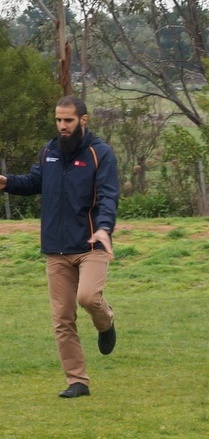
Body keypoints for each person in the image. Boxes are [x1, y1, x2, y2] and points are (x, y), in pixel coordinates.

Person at [0, 95, 119, 398]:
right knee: (62, 318)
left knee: (89, 298)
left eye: (68, 120)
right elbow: (33, 182)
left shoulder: (100, 153)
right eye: (58, 120)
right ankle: (77, 381)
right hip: (56, 248)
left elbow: (108, 195)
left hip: (91, 243)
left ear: (83, 120)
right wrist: (6, 182)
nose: (62, 126)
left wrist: (104, 228)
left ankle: (106, 323)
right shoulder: (49, 151)